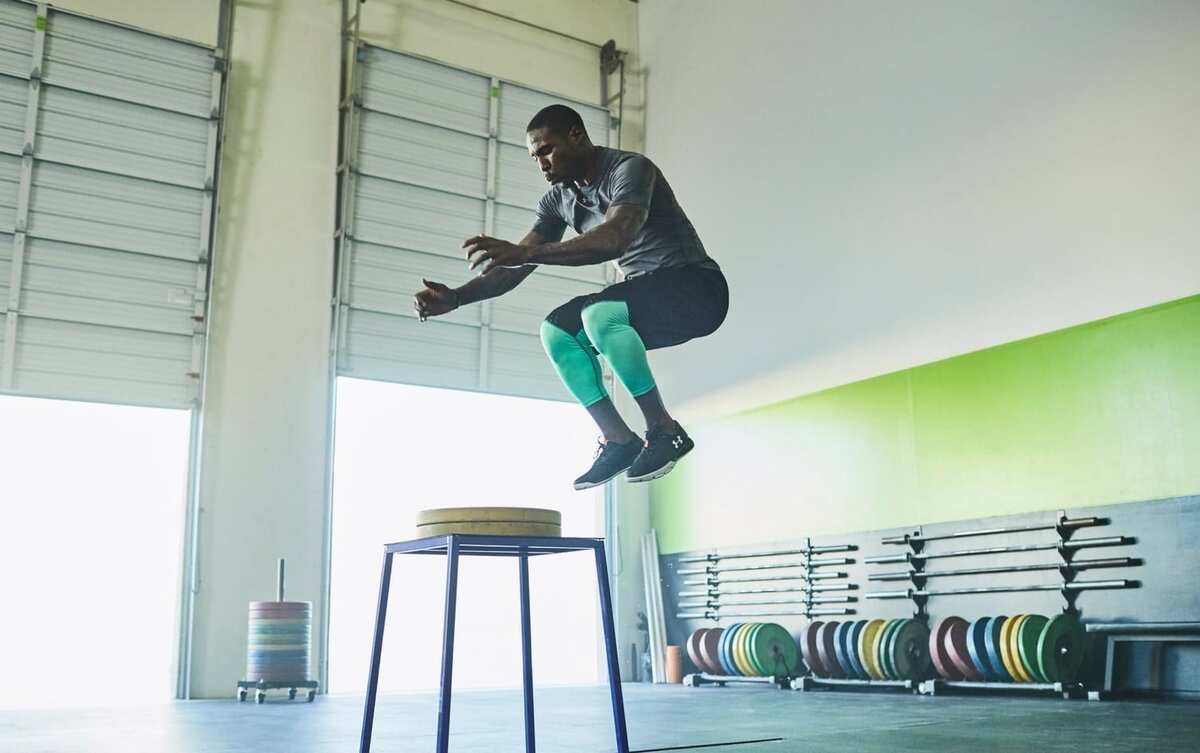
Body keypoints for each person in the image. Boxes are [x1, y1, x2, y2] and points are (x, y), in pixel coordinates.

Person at [413, 104, 727, 490]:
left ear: (576, 135)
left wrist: (525, 252)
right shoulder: (558, 200)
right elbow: (515, 266)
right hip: (648, 296)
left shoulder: (630, 169)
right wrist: (458, 297)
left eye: (546, 150)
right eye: (534, 157)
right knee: (557, 330)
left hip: (697, 289)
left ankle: (664, 431)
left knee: (599, 314)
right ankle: (619, 441)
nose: (542, 164)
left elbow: (616, 238)